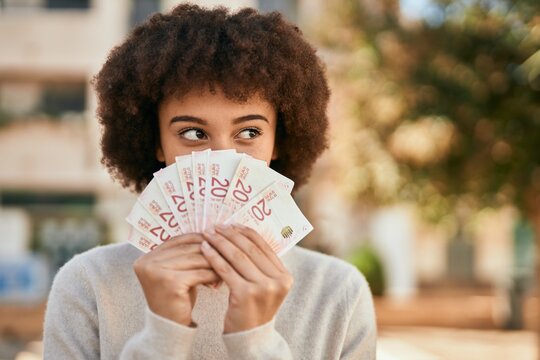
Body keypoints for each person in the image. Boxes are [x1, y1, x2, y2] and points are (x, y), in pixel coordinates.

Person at [43, 4, 377, 359]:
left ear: (278, 140)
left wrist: (256, 341)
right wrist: (162, 334)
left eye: (249, 131)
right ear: (155, 141)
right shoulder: (87, 285)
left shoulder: (338, 292)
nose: (222, 157)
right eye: (193, 133)